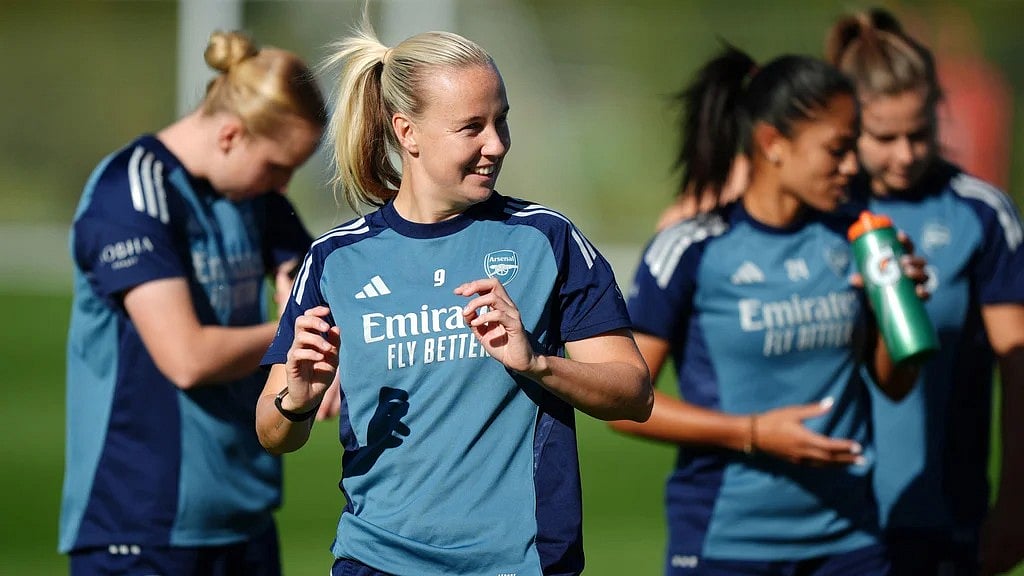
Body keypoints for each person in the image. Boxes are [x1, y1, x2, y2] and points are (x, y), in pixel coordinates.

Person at [254, 17, 653, 576]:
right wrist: (295, 397)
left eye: (501, 121)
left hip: (520, 564)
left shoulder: (546, 240)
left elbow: (635, 393)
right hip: (375, 562)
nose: (497, 144)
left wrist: (538, 363)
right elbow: (273, 434)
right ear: (407, 132)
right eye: (472, 127)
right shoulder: (334, 261)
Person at [610, 45, 931, 575]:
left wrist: (899, 311)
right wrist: (751, 432)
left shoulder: (860, 233)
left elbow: (894, 384)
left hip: (850, 539)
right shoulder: (692, 247)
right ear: (773, 144)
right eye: (836, 149)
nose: (852, 166)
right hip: (727, 542)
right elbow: (622, 402)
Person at [60, 30, 327, 576]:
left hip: (246, 518)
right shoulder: (131, 193)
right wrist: (290, 339)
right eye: (278, 166)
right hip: (141, 526)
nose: (284, 185)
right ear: (231, 135)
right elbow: (186, 358)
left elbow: (308, 290)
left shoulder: (256, 199)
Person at [826, 9, 1024, 576]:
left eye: (921, 133)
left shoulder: (981, 214)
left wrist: (1015, 504)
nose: (906, 154)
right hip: (828, 516)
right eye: (884, 137)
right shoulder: (822, 209)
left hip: (945, 510)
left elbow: (1018, 368)